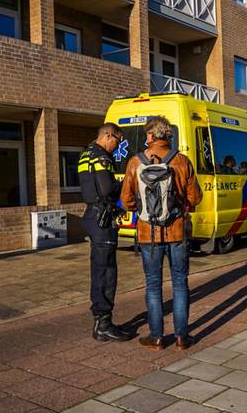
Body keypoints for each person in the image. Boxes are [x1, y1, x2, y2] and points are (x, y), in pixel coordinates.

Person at [121, 116, 203, 350]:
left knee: (153, 285)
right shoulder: (182, 161)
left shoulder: (135, 162)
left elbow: (126, 201)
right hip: (177, 232)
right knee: (179, 283)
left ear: (150, 136)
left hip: (148, 234)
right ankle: (181, 337)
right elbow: (195, 197)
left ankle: (156, 337)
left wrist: (142, 209)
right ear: (167, 136)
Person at [79, 123, 133, 342]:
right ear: (108, 136)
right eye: (117, 141)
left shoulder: (86, 154)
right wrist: (125, 183)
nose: (117, 146)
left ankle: (102, 320)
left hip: (92, 216)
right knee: (106, 272)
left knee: (99, 270)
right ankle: (103, 323)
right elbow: (106, 188)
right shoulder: (101, 156)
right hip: (102, 221)